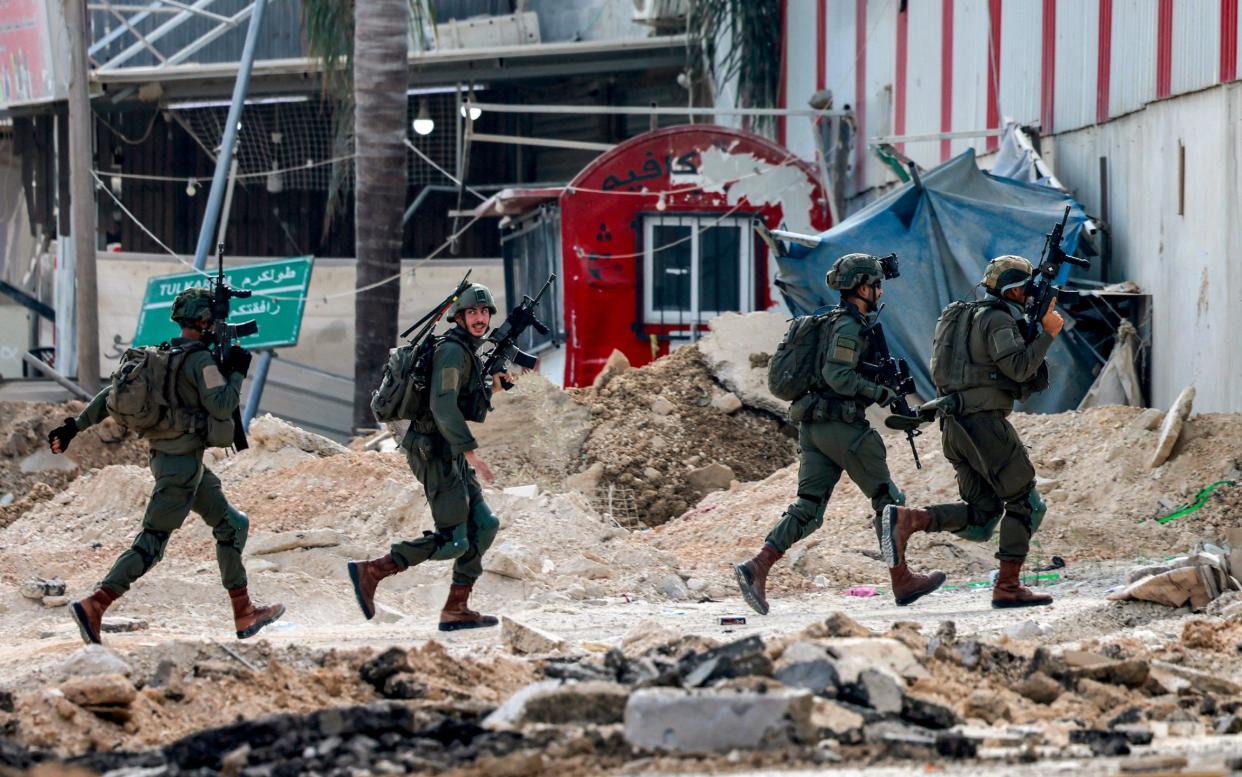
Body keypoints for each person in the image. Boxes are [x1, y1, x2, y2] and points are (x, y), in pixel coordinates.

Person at [47, 287, 284, 644]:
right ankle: (96, 604)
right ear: (204, 322)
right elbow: (221, 406)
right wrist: (236, 372)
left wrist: (74, 427)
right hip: (181, 469)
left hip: (173, 460)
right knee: (151, 543)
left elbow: (108, 397)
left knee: (232, 525)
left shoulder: (158, 355)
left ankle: (243, 612)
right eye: (212, 321)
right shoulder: (202, 362)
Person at [735, 253, 944, 614]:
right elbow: (838, 377)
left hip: (814, 428)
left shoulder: (830, 322)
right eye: (876, 285)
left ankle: (757, 567)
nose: (880, 291)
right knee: (889, 502)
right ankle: (902, 579)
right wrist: (882, 393)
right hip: (842, 427)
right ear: (862, 288)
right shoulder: (848, 327)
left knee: (809, 508)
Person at [881, 255, 1063, 608]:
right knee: (1025, 503)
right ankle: (1008, 587)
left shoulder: (963, 316)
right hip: (984, 425)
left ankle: (909, 520)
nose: (1028, 295)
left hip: (954, 425)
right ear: (1012, 290)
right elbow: (1020, 367)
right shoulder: (996, 320)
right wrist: (1048, 334)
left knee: (982, 516)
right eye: (1024, 289)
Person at [348, 283, 508, 631]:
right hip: (433, 450)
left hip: (447, 449)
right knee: (453, 539)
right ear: (459, 317)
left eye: (484, 313)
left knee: (484, 525)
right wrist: (470, 450)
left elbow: (465, 407)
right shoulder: (452, 352)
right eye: (472, 313)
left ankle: (456, 608)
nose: (480, 319)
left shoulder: (466, 350)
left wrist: (493, 386)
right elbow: (442, 406)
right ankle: (372, 571)